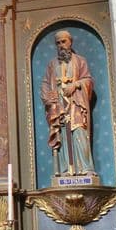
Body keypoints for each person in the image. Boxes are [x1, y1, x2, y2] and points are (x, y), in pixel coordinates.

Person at [40, 30, 96, 177]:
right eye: (58, 43)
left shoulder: (80, 61)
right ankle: (65, 170)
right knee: (63, 137)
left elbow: (88, 80)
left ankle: (86, 168)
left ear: (70, 42)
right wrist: (49, 98)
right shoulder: (52, 64)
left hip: (76, 104)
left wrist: (75, 85)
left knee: (79, 133)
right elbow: (45, 83)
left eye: (63, 41)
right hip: (59, 107)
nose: (61, 45)